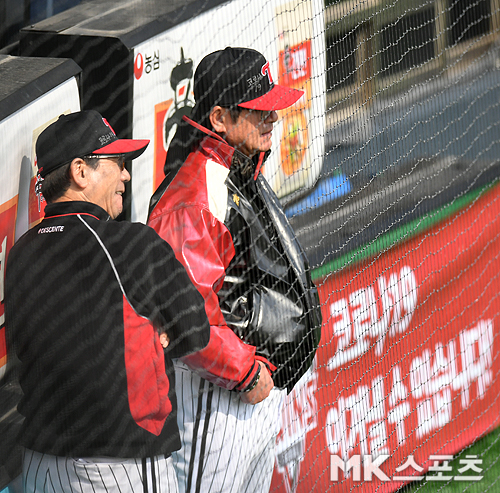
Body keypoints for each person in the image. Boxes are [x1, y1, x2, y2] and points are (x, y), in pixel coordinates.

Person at [4, 110, 211, 493]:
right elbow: (196, 332)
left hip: (38, 466)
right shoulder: (130, 243)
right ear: (80, 171)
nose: (126, 175)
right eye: (116, 164)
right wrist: (156, 334)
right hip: (118, 466)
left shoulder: (19, 254)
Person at [147, 47, 322, 493]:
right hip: (218, 394)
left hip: (249, 388)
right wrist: (244, 373)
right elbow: (186, 313)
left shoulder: (237, 167)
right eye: (258, 111)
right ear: (220, 117)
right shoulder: (196, 193)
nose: (274, 120)